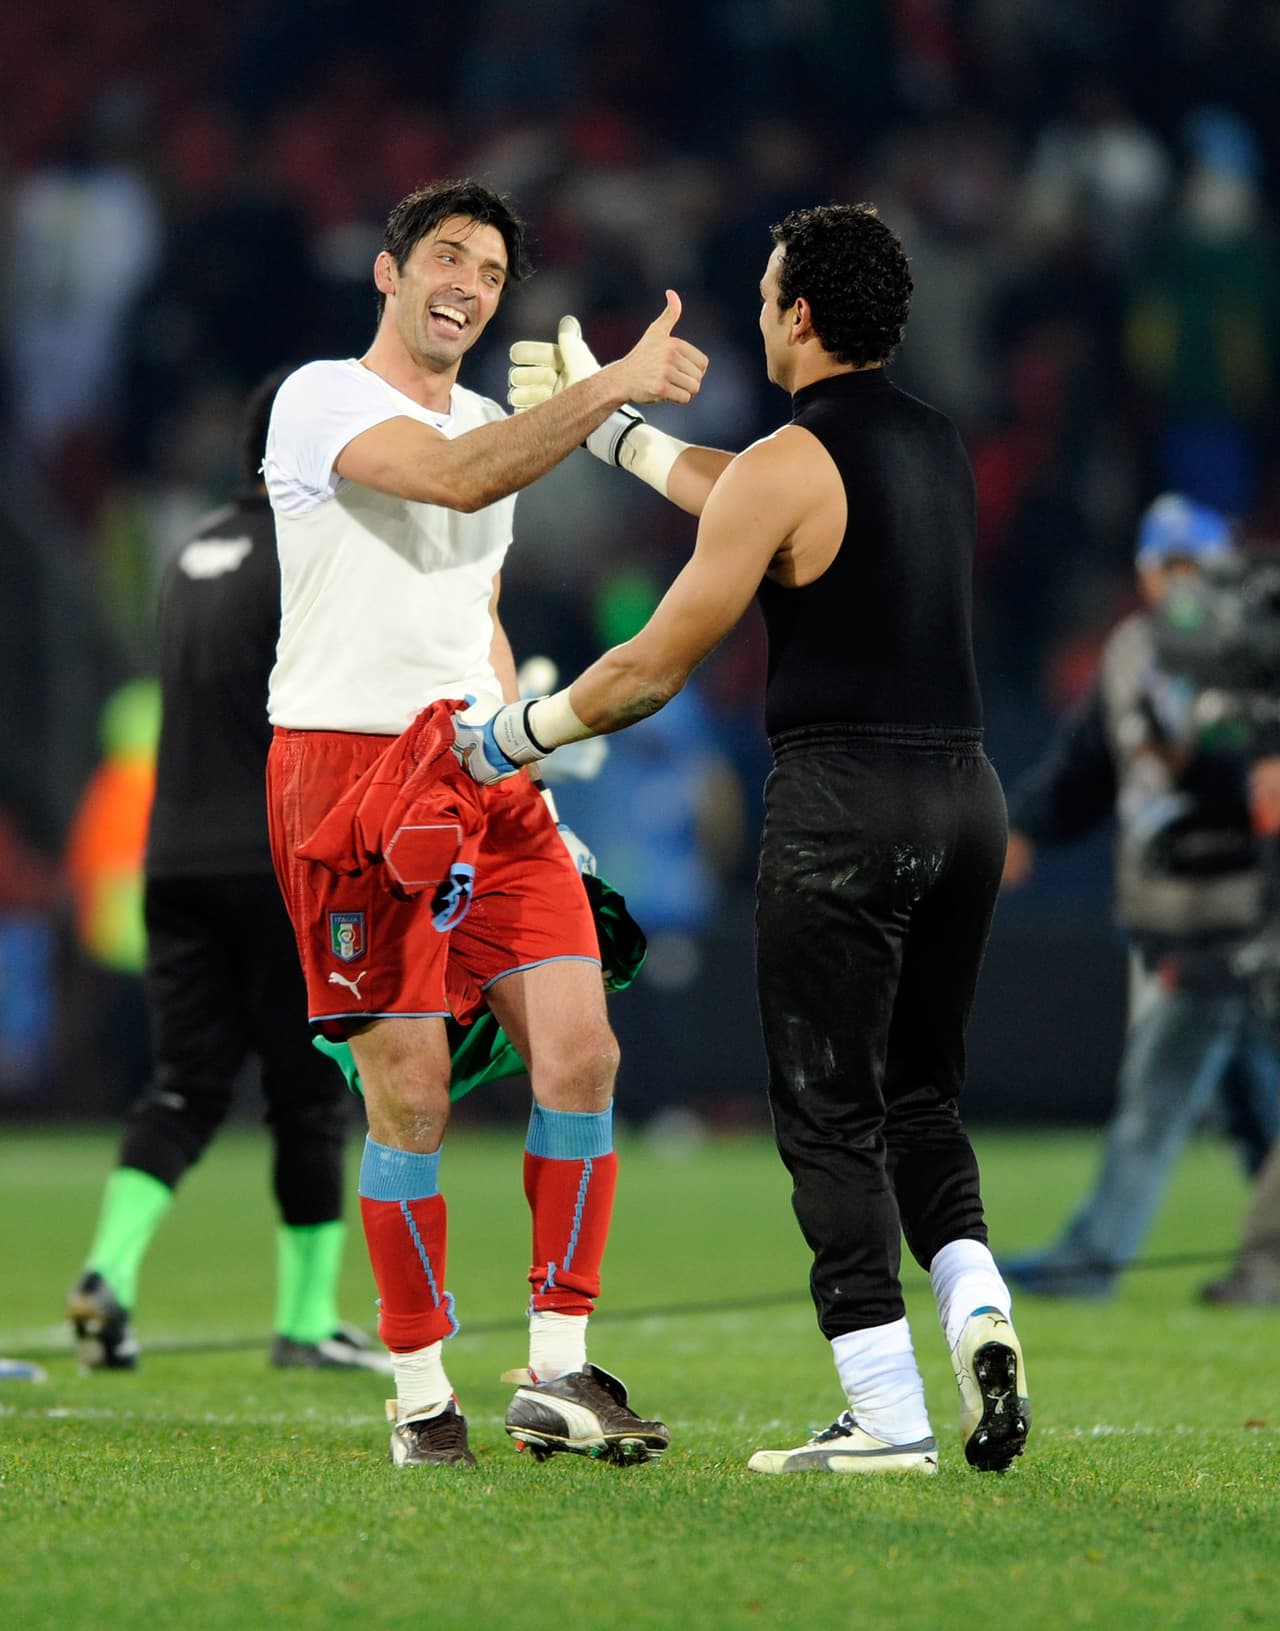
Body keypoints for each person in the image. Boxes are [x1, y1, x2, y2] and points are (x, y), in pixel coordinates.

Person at [456, 202, 1031, 1476]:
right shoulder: (937, 444)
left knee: (826, 1112)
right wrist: (612, 431)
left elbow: (650, 669)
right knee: (921, 1100)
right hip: (964, 798)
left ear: (799, 315)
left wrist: (508, 736)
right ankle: (978, 1311)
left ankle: (884, 1411)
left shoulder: (785, 461)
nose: (760, 310)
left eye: (769, 294)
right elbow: (756, 495)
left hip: (844, 807)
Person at [262, 177, 707, 1469]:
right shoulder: (321, 398)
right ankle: (418, 1390)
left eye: (493, 271)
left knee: (582, 1051)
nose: (467, 284)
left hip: (483, 768)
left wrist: (531, 767)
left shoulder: (493, 425)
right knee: (408, 1092)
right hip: (348, 773)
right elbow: (455, 484)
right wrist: (609, 389)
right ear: (390, 272)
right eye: (446, 257)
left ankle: (558, 1369)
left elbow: (479, 609)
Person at [66, 370, 390, 1375]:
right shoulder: (313, 548)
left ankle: (107, 1271)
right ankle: (306, 1319)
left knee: (183, 1086)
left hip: (173, 858)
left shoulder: (191, 552)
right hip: (277, 860)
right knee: (308, 1094)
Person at [1000, 495, 1280, 1299]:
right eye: (1170, 566)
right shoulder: (1130, 651)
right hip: (1167, 907)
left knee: (1160, 1090)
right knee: (1249, 1103)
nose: (1183, 583)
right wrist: (1027, 826)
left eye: (1197, 565)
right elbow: (1086, 765)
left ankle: (1091, 1258)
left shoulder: (1254, 646)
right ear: (1147, 574)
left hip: (1243, 906)